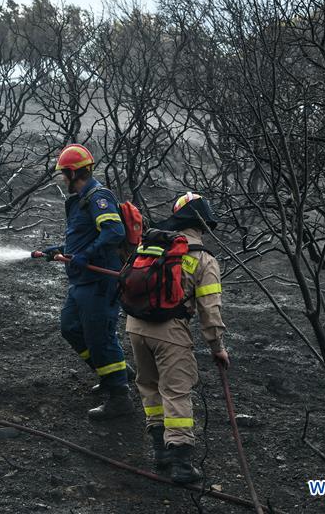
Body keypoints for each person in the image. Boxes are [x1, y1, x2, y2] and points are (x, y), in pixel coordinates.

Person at [126, 192, 229, 483]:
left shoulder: (153, 244)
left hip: (135, 327)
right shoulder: (204, 259)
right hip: (170, 332)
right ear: (204, 222)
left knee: (149, 387)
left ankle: (160, 452)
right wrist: (217, 347)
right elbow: (210, 309)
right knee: (176, 392)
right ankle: (182, 465)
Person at [38, 144, 134, 420]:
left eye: (63, 174)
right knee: (70, 327)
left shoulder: (98, 197)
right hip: (82, 280)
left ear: (72, 172)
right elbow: (85, 238)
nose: (62, 179)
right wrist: (61, 250)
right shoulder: (80, 200)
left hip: (100, 280)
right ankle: (115, 372)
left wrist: (86, 254)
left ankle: (119, 397)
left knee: (99, 336)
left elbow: (114, 231)